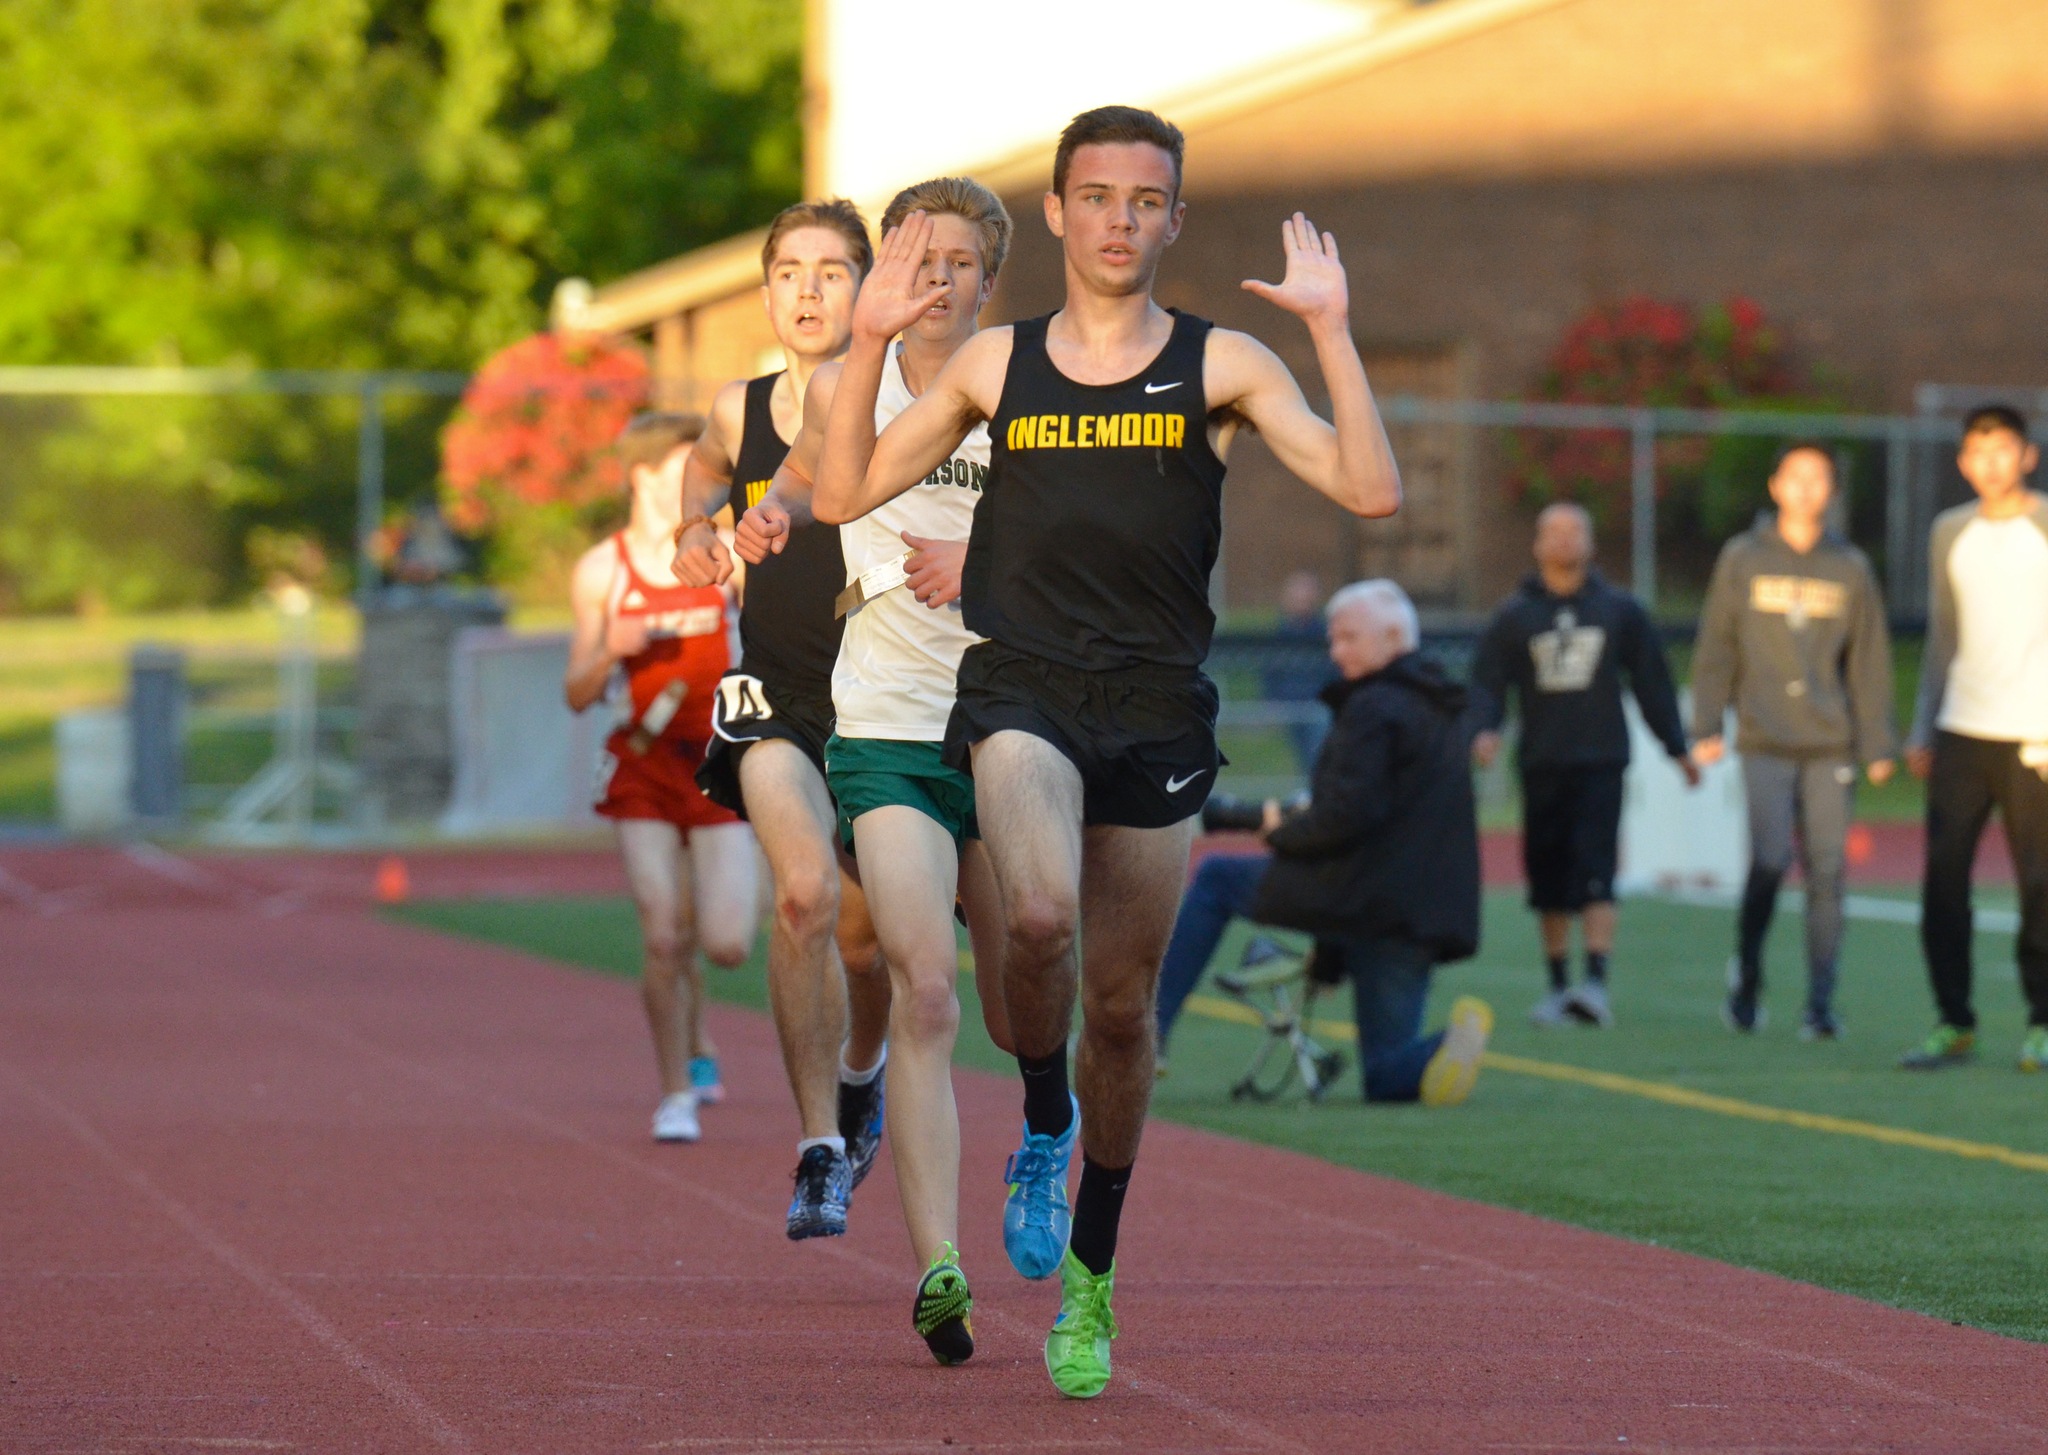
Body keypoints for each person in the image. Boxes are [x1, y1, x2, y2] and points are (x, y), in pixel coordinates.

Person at [812, 105, 1402, 1399]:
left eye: (1146, 199)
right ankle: (1040, 1115)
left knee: (1124, 1009)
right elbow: (842, 487)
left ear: (1172, 218)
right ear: (1065, 213)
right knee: (1030, 917)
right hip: (1022, 686)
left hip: (1156, 709)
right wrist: (864, 343)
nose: (1120, 219)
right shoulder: (994, 367)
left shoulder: (1222, 363)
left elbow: (1370, 489)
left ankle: (1092, 1270)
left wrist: (1333, 331)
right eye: (1096, 196)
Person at [736, 177, 1017, 1365]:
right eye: (920, 259)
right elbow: (798, 472)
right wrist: (746, 518)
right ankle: (923, 1252)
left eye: (960, 262)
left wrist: (989, 560)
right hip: (868, 715)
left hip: (1009, 719)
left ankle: (1041, 1115)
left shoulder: (1026, 389)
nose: (937, 281)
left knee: (1016, 997)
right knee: (913, 978)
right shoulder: (827, 391)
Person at [666, 199, 891, 1239]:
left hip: (886, 699)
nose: (808, 289)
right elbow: (704, 470)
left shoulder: (908, 407)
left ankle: (864, 1072)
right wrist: (691, 526)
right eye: (790, 271)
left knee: (869, 936)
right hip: (774, 695)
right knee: (801, 895)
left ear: (868, 287)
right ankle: (816, 1151)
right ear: (764, 292)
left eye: (833, 270)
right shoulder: (737, 406)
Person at [1152, 581, 1490, 1103]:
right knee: (1385, 1075)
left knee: (1218, 877)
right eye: (1334, 639)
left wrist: (1281, 835)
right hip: (1419, 917)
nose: (1336, 651)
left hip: (1365, 897)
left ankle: (1146, 1036)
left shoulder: (1374, 706)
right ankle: (1445, 1046)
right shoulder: (1444, 705)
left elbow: (1345, 816)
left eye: (1349, 638)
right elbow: (1384, 818)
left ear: (1396, 635)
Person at [564, 412, 761, 1143]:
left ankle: (700, 1020)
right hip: (643, 767)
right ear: (644, 475)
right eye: (685, 470)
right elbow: (576, 691)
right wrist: (609, 648)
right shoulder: (603, 569)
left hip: (717, 763)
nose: (698, 487)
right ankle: (675, 1089)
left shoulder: (729, 560)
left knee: (727, 939)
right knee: (661, 934)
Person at [1690, 443, 1895, 1039]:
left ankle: (1820, 1003)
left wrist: (1877, 741)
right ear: (1777, 486)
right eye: (1796, 478)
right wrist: (1707, 724)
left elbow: (1870, 660)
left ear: (1831, 491)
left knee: (1828, 871)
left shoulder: (1850, 566)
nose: (1807, 489)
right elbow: (1717, 645)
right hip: (1764, 739)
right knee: (1769, 862)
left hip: (1829, 744)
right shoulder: (1743, 558)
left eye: (1819, 480)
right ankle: (1748, 979)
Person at [1471, 502, 1698, 1029]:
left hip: (1600, 761)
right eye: (1553, 531)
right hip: (1543, 762)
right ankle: (1557, 987)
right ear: (1537, 544)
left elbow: (1652, 684)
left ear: (1591, 545)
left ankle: (1595, 985)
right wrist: (1483, 730)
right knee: (1548, 877)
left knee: (1596, 871)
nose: (1564, 541)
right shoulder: (1514, 616)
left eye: (1575, 531)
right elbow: (1488, 685)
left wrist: (1677, 748)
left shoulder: (1620, 611)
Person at [1897, 405, 2048, 1072]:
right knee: (1943, 880)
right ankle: (1953, 1020)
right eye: (1978, 453)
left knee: (2039, 883)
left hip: (2034, 735)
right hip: (1961, 729)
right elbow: (1943, 634)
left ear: (2028, 456)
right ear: (1963, 463)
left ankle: (2043, 1022)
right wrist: (1922, 725)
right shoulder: (1948, 531)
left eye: (2003, 450)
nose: (1991, 464)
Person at [1264, 568, 1336, 775]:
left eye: (1306, 594)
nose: (1301, 600)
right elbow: (1269, 673)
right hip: (1288, 707)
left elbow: (1333, 673)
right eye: (1297, 594)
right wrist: (1272, 702)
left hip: (1316, 708)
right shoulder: (1278, 636)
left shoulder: (1325, 635)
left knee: (1316, 759)